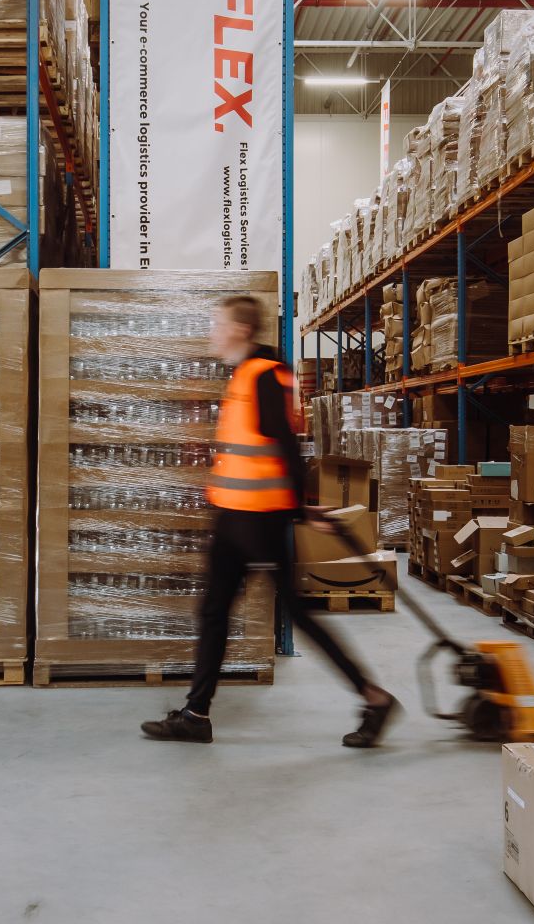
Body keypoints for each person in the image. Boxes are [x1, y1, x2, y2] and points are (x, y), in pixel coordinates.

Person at [141, 295, 398, 747]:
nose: (212, 334)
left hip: (255, 520)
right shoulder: (251, 373)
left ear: (240, 329)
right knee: (217, 611)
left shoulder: (261, 376)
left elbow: (285, 443)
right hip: (239, 514)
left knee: (279, 613)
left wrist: (299, 508)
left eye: (218, 325)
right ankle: (196, 713)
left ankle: (373, 697)